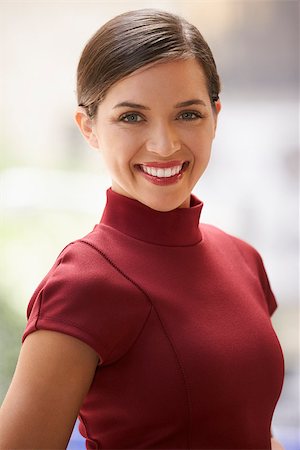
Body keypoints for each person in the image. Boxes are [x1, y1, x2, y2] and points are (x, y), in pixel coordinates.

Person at [0, 8, 285, 450]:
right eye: (132, 117)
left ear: (215, 116)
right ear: (89, 128)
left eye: (188, 114)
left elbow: (253, 433)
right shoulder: (83, 284)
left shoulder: (243, 258)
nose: (165, 144)